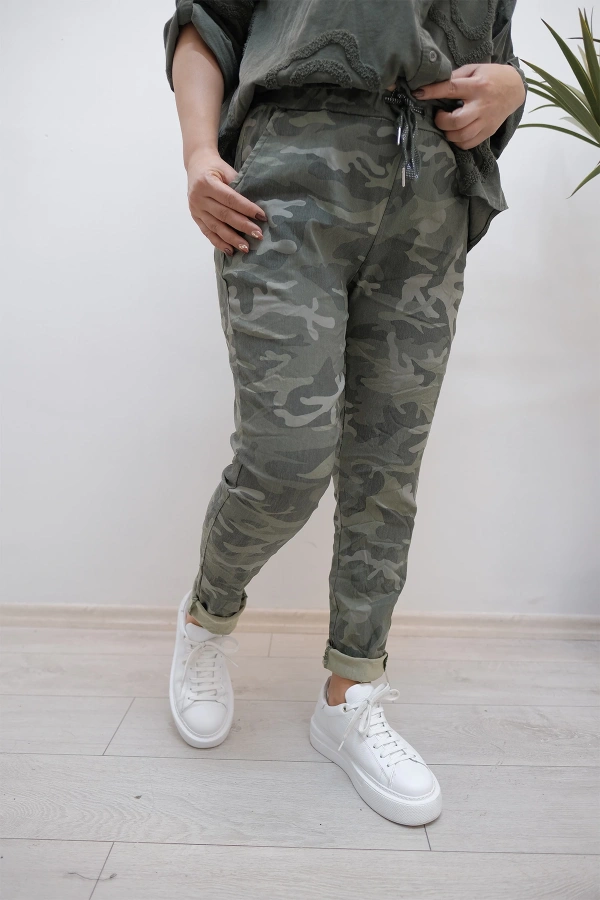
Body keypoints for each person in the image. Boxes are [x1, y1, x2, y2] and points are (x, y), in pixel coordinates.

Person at [164, 0, 526, 826]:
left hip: (431, 188)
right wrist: (197, 152)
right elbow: (205, 21)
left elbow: (493, 50)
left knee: (387, 466)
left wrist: (512, 89)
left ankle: (350, 694)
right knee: (284, 457)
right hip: (291, 174)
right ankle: (206, 617)